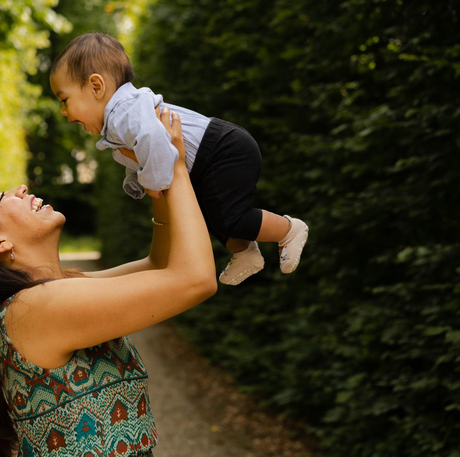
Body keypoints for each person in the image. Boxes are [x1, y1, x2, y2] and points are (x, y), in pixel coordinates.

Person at [0, 109, 215, 457]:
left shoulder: (51, 295)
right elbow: (195, 279)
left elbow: (159, 265)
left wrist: (156, 185)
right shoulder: (40, 308)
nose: (20, 189)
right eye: (1, 197)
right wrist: (173, 166)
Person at [49, 32, 309, 285]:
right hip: (212, 154)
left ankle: (288, 229)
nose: (62, 111)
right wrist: (137, 180)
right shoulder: (120, 116)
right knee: (208, 211)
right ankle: (244, 252)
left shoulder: (123, 111)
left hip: (222, 148)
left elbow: (153, 139)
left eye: (64, 99)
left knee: (231, 216)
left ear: (96, 86)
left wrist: (151, 182)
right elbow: (141, 153)